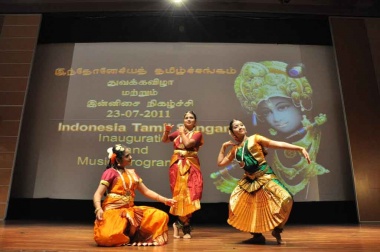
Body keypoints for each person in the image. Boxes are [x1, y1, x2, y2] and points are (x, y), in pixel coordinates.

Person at [217, 119, 311, 245]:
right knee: (240, 206)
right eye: (236, 126)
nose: (240, 127)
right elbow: (221, 163)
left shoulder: (255, 138)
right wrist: (223, 148)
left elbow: (277, 144)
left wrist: (299, 148)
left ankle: (277, 230)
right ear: (232, 132)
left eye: (241, 124)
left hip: (265, 176)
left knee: (287, 199)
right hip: (249, 181)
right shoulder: (235, 149)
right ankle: (257, 236)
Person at [93, 144, 176, 247]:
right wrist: (98, 209)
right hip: (113, 212)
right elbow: (98, 193)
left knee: (160, 216)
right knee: (106, 237)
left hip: (131, 210)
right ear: (118, 160)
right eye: (127, 156)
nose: (130, 157)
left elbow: (146, 191)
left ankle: (130, 235)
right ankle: (125, 235)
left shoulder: (132, 173)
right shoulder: (110, 172)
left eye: (130, 155)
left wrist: (164, 200)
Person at [161, 111, 204, 239]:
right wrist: (167, 131)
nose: (188, 119)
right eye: (186, 117)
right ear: (183, 119)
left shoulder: (197, 134)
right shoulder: (180, 131)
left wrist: (181, 133)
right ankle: (185, 226)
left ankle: (179, 223)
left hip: (191, 165)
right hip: (177, 165)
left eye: (191, 118)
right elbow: (164, 140)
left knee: (193, 193)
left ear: (195, 121)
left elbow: (188, 144)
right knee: (179, 194)